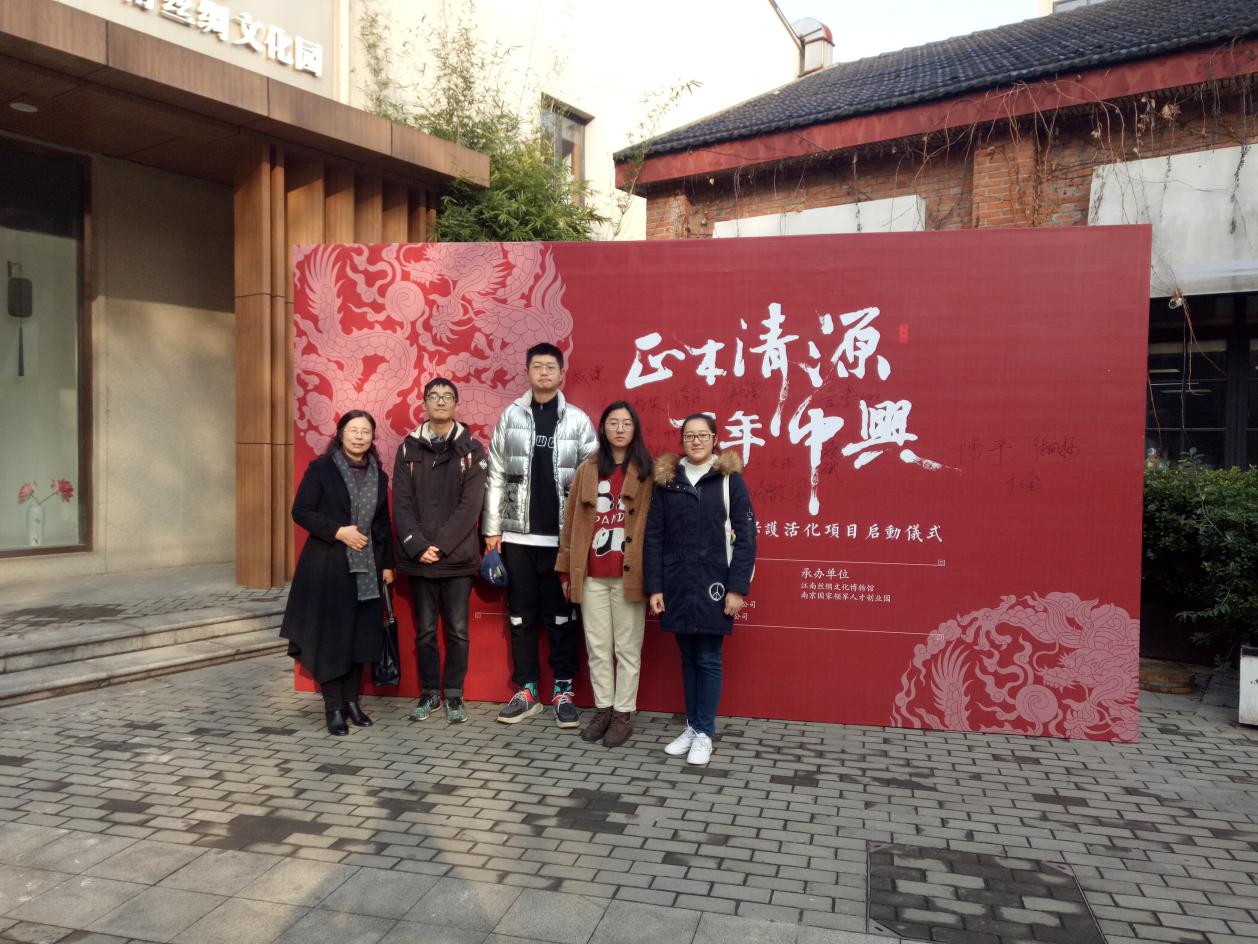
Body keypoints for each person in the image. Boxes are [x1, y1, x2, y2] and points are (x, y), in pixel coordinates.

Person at [483, 342, 597, 727]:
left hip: (561, 541)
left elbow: (592, 482)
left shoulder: (577, 421)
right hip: (517, 538)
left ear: (562, 374)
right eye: (537, 366)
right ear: (527, 372)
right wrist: (492, 530)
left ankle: (564, 690)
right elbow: (495, 474)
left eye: (551, 367)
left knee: (562, 618)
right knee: (520, 617)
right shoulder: (511, 416)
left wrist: (582, 536)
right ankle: (527, 690)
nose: (544, 373)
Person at [644, 413, 756, 766]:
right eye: (689, 435)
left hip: (714, 583)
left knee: (708, 657)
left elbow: (746, 538)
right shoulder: (668, 481)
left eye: (702, 435)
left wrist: (737, 588)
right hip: (677, 582)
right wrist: (655, 587)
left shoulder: (729, 480)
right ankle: (692, 728)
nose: (695, 441)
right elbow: (654, 537)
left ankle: (705, 732)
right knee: (688, 657)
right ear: (682, 440)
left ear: (714, 439)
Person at [281, 410, 395, 736]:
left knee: (360, 636)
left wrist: (388, 564)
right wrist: (338, 531)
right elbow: (301, 511)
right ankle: (333, 706)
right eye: (353, 430)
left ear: (372, 438)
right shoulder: (321, 469)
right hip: (328, 567)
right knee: (333, 637)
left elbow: (382, 523)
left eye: (365, 431)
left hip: (368, 568)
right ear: (341, 433)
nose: (359, 436)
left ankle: (352, 701)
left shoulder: (379, 476)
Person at [556, 401, 655, 748]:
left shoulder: (647, 471)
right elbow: (571, 521)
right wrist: (566, 571)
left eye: (626, 423)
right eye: (613, 422)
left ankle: (623, 714)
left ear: (635, 428)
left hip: (630, 575)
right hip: (592, 575)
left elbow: (655, 527)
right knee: (598, 647)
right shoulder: (588, 469)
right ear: (603, 428)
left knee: (627, 648)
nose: (620, 429)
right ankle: (604, 709)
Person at [392, 378, 487, 725]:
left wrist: (442, 546)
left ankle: (455, 694)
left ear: (456, 404)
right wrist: (418, 546)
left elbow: (471, 505)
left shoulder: (471, 449)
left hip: (457, 558)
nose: (441, 401)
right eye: (434, 396)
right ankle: (430, 692)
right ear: (424, 404)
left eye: (448, 396)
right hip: (420, 560)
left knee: (458, 631)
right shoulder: (408, 448)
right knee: (425, 632)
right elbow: (401, 502)